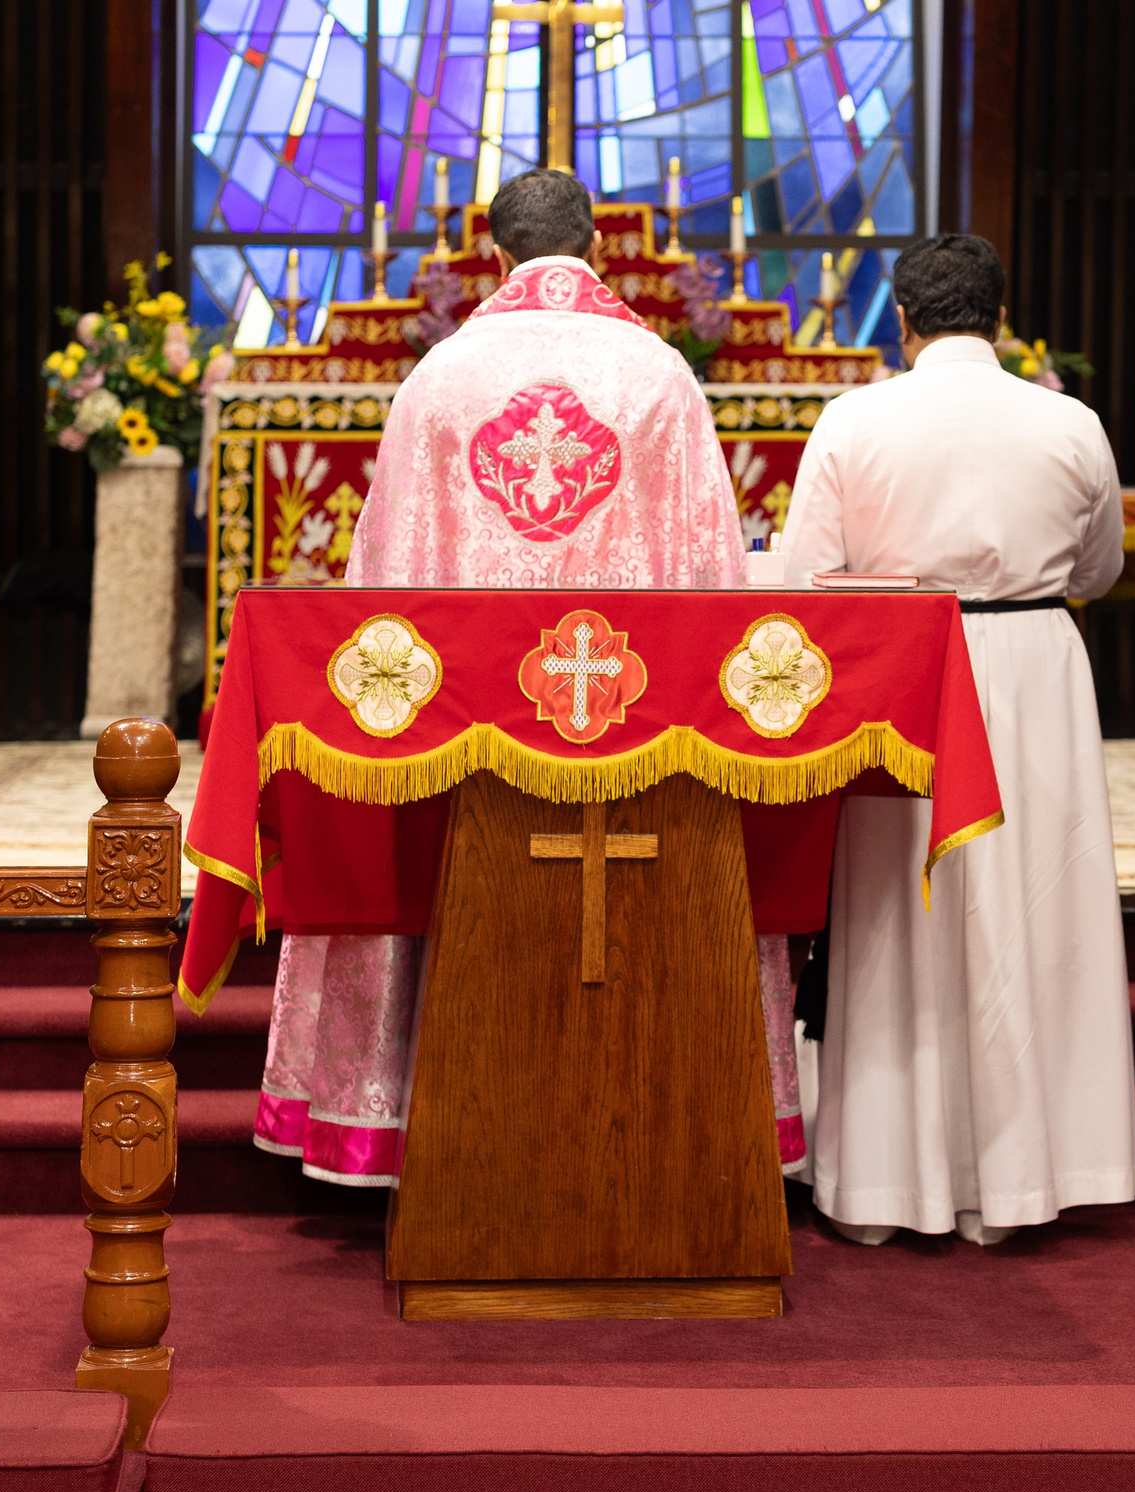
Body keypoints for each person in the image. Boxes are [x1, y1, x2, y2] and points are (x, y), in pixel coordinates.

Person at [252, 168, 792, 1188]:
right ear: (595, 246)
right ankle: (663, 1129)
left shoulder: (442, 378)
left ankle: (415, 1126)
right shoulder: (659, 376)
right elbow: (716, 581)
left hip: (473, 740)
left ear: (491, 254)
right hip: (632, 730)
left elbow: (383, 588)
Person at [780, 232, 1135, 1244]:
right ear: (999, 314)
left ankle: (888, 1191)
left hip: (908, 672)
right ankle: (1030, 1178)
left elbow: (812, 574)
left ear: (900, 319)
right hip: (1033, 665)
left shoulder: (855, 420)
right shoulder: (1067, 421)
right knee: (1036, 909)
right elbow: (1102, 569)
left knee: (903, 918)